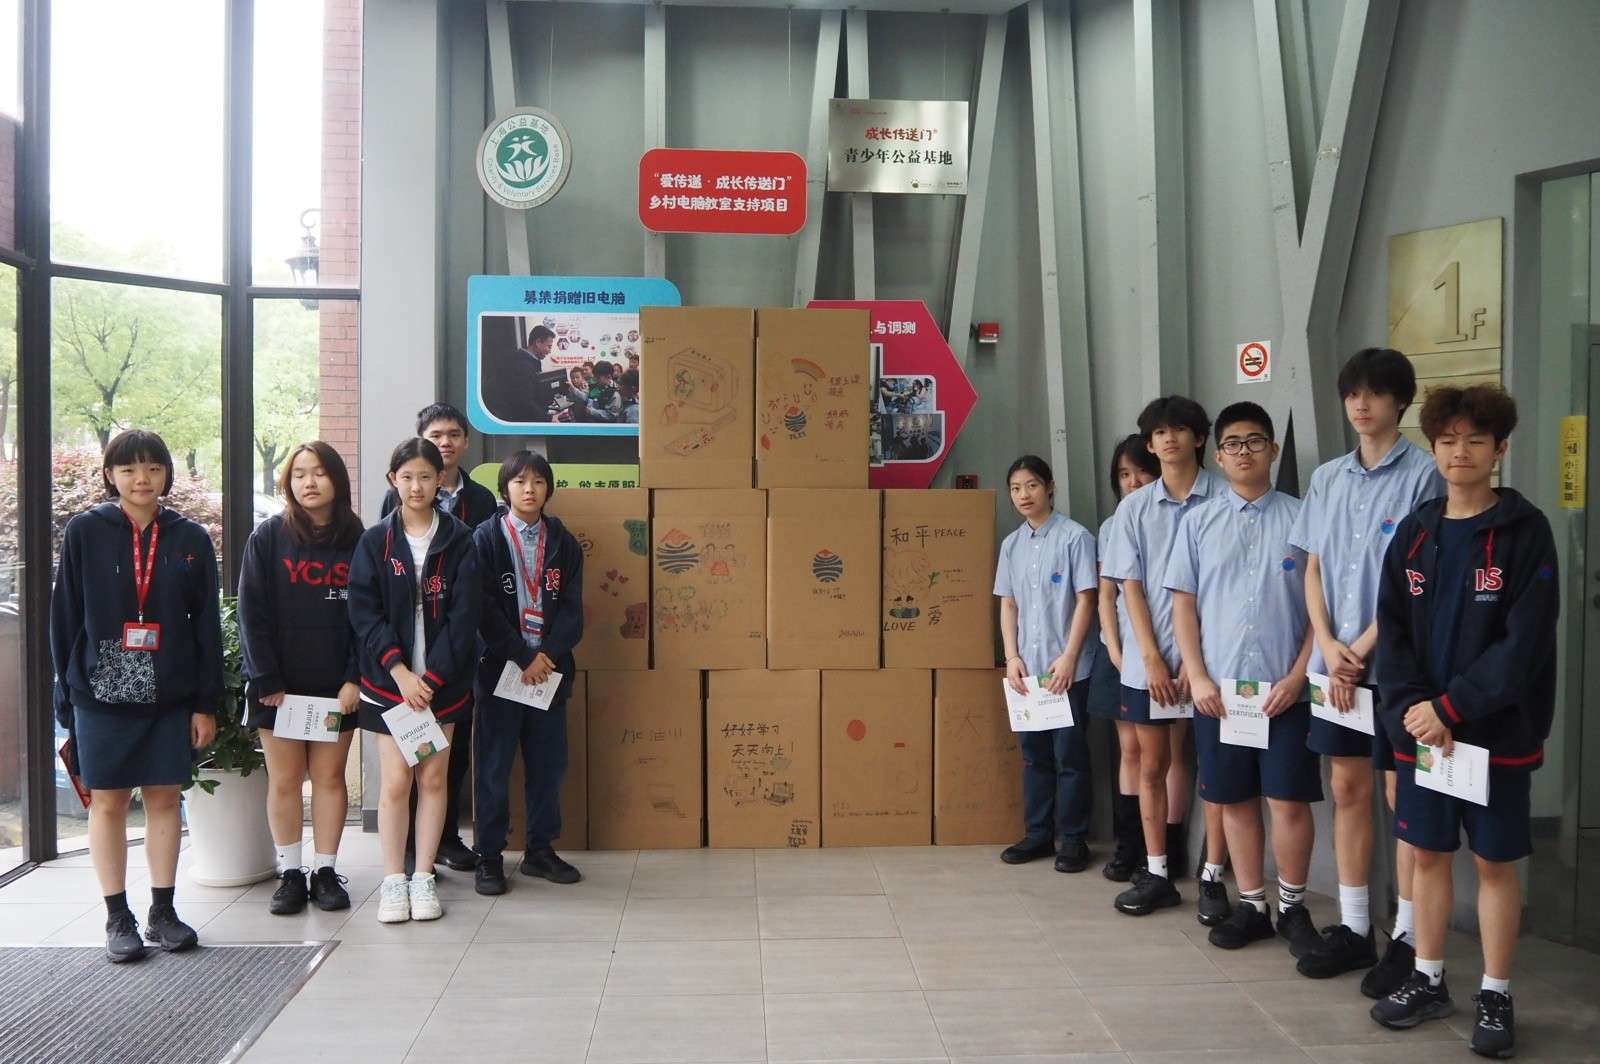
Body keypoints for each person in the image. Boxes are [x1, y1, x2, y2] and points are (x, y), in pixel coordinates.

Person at [1369, 384, 1555, 1060]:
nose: (1460, 452)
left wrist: (1451, 709)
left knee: (1495, 864)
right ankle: (1427, 978)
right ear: (1435, 448)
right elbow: (1392, 633)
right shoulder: (1415, 534)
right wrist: (1414, 714)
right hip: (1424, 734)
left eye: (1476, 440)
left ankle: (1497, 994)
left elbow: (1523, 645)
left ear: (1500, 449)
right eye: (1447, 440)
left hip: (1495, 737)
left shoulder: (1525, 532)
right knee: (1427, 856)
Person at [1291, 348, 1445, 990]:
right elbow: (1313, 566)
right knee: (1347, 788)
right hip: (1336, 668)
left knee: (1401, 795)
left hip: (1398, 666)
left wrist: (1364, 644)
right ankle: (1355, 927)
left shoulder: (1426, 474)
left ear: (1400, 402)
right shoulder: (1328, 477)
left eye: (1376, 393)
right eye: (1353, 393)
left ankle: (1407, 937)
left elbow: (1421, 576)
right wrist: (1328, 643)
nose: (1361, 404)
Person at [50, 429, 222, 962]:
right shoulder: (85, 531)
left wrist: (205, 703)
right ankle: (117, 916)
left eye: (152, 467)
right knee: (109, 801)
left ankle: (163, 911)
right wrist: (66, 691)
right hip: (101, 688)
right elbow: (65, 617)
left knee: (165, 798)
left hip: (169, 688)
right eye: (128, 469)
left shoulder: (190, 537)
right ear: (110, 476)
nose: (141, 479)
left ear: (167, 473)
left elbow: (206, 627)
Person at [1167, 402, 1325, 959]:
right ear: (1218, 454)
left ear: (1273, 450)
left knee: (1289, 801)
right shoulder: (1197, 522)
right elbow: (1183, 606)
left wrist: (1299, 676)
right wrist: (1198, 677)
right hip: (1221, 694)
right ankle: (1253, 905)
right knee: (1234, 800)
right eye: (1232, 443)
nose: (1243, 452)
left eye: (1255, 441)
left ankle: (1294, 907)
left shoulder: (1303, 519)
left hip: (1286, 692)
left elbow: (1319, 609)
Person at [349, 438, 480, 923]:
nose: (417, 486)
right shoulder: (375, 541)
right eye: (407, 477)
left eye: (426, 476)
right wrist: (401, 672)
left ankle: (424, 876)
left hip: (442, 685)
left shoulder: (461, 539)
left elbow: (465, 618)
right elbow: (364, 612)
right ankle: (393, 880)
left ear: (440, 479)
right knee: (396, 781)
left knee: (433, 779)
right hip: (390, 685)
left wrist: (434, 677)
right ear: (393, 480)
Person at [1102, 395, 1219, 916]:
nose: (1169, 438)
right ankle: (1156, 872)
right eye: (1159, 432)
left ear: (1200, 437)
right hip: (1147, 663)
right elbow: (1130, 586)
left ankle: (1213, 877)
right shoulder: (1133, 509)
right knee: (1152, 764)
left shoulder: (1225, 499)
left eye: (1180, 429)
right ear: (1150, 444)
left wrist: (1196, 662)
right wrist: (1149, 656)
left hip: (1212, 665)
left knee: (1217, 771)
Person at [238, 441, 365, 917]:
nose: (308, 482)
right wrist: (266, 677)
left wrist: (355, 678)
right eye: (298, 474)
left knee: (330, 778)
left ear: (336, 479)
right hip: (280, 688)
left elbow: (368, 616)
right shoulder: (268, 536)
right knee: (286, 779)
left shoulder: (359, 538)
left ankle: (325, 872)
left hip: (336, 688)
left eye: (319, 472)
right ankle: (291, 873)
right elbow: (252, 612)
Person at [380, 403, 495, 874]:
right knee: (403, 762)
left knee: (451, 753)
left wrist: (445, 665)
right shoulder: (393, 506)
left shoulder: (482, 499)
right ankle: (407, 848)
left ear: (465, 442)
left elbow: (480, 583)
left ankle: (444, 839)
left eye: (453, 434)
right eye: (435, 434)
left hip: (457, 654)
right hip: (401, 660)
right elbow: (379, 587)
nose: (445, 441)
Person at [471, 451, 586, 895]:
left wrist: (547, 655)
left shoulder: (563, 541)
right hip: (502, 672)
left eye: (538, 481)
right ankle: (489, 856)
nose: (529, 489)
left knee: (547, 766)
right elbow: (481, 609)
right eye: (519, 481)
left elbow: (573, 610)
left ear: (548, 489)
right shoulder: (486, 538)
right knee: (493, 768)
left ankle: (540, 850)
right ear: (505, 489)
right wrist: (522, 655)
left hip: (549, 673)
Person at [994, 455, 1099, 872]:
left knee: (1070, 757)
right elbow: (1008, 603)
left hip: (1067, 670)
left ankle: (1073, 840)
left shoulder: (1075, 538)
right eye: (1016, 488)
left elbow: (1087, 599)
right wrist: (1011, 657)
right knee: (1034, 756)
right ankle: (1038, 834)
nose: (1024, 495)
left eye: (1032, 485)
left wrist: (1070, 656)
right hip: (1028, 672)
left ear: (1050, 487)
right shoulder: (1011, 545)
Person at [1088, 435, 1157, 882]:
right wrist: (1114, 650)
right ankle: (1129, 845)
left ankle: (1162, 851)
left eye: (1141, 472)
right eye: (1124, 474)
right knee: (1129, 749)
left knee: (1163, 755)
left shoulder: (1175, 518)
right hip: (1120, 652)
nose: (1132, 482)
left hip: (1164, 655)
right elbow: (1105, 595)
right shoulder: (1111, 527)